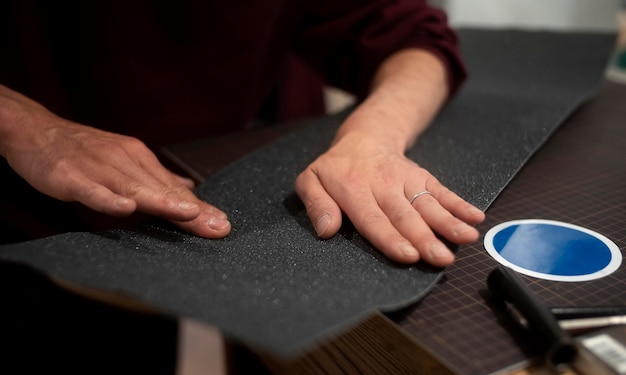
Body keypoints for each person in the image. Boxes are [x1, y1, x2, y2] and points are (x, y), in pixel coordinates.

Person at [0, 0, 485, 267]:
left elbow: (415, 36)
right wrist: (20, 122)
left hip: (229, 197)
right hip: (32, 216)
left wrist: (372, 136)